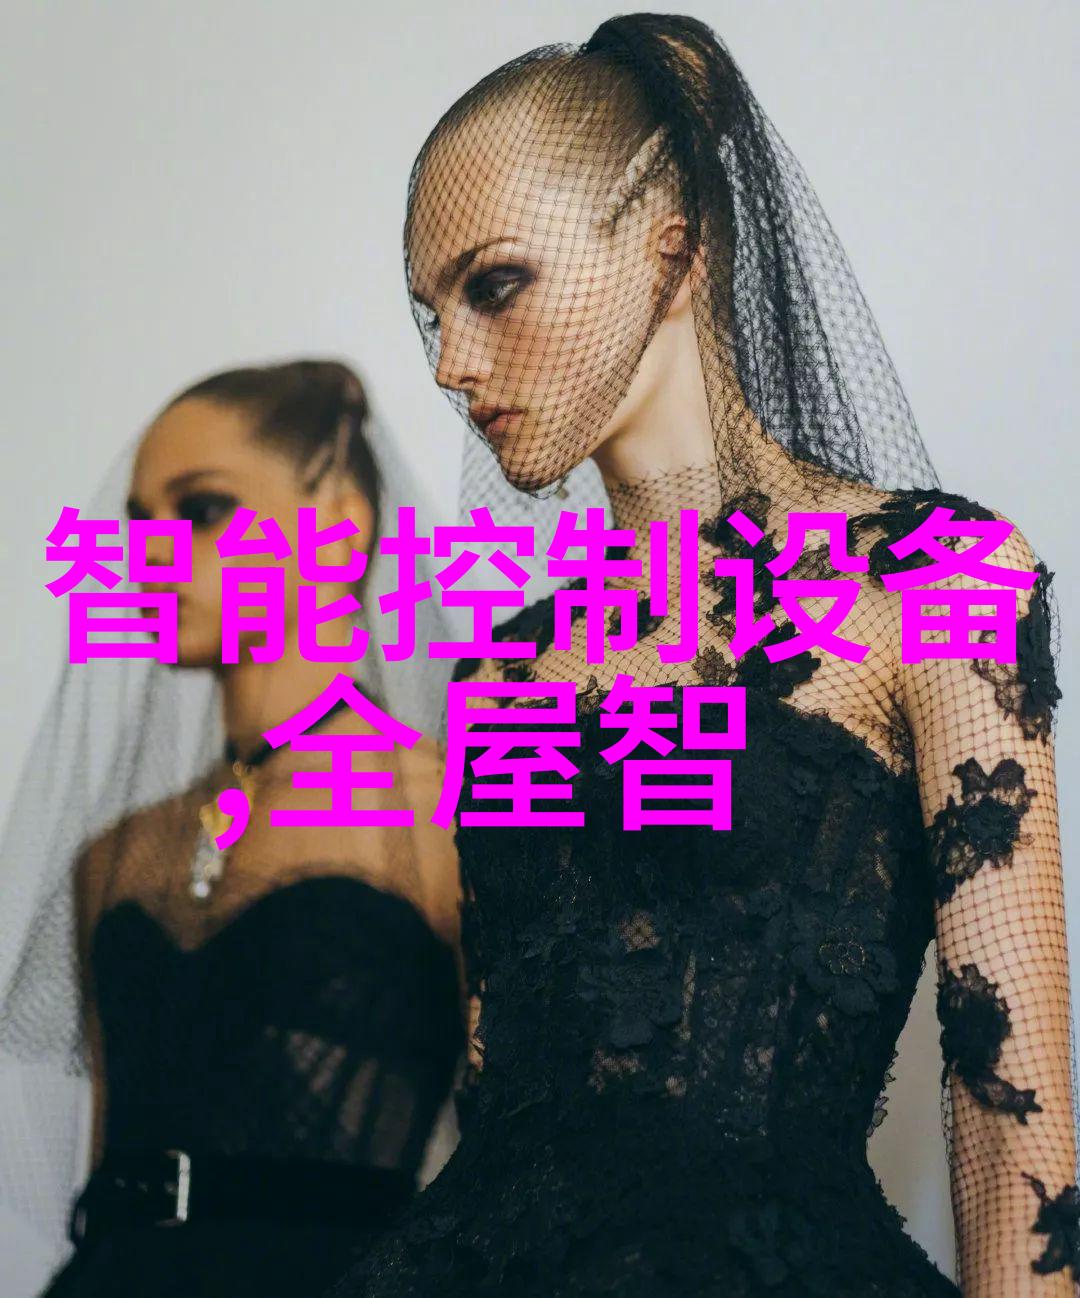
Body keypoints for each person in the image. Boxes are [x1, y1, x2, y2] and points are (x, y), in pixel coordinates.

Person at [326, 15, 1077, 1298]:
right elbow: (499, 1088)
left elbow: (1017, 1133)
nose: (451, 363)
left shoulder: (939, 583)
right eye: (431, 310)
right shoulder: (504, 674)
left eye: (494, 285)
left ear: (671, 247)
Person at [0, 360, 465, 1297]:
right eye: (139, 525)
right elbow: (108, 1165)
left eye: (203, 510)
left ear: (341, 531)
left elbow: (536, 1137)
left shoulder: (449, 809)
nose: (151, 556)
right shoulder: (118, 854)